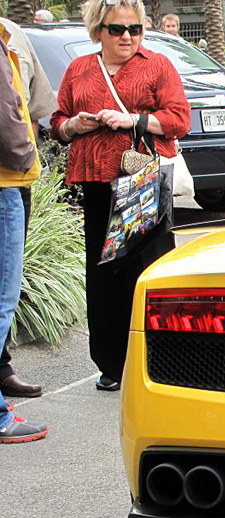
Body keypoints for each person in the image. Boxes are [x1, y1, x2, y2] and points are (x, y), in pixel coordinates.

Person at [51, 0, 190, 392]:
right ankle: (111, 363)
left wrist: (135, 119)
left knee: (149, 270)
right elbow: (57, 123)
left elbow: (180, 119)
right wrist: (73, 124)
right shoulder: (79, 69)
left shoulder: (157, 65)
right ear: (99, 30)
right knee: (103, 274)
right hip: (96, 182)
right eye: (117, 29)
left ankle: (160, 360)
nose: (127, 37)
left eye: (135, 29)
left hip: (143, 179)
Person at [0, 16, 56, 400]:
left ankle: (2, 370)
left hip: (17, 179)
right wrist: (23, 154)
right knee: (3, 293)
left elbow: (34, 101)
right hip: (7, 177)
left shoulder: (10, 33)